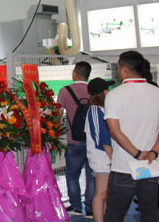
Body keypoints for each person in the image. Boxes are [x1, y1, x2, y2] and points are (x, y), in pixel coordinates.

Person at [104, 51, 159, 222]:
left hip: (124, 167)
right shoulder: (156, 92)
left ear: (124, 70)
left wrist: (137, 153)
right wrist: (153, 152)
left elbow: (114, 131)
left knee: (115, 214)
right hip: (150, 166)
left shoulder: (114, 95)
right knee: (150, 213)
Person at [57, 61, 94, 217]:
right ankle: (91, 209)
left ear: (75, 73)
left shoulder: (65, 91)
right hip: (93, 141)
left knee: (72, 175)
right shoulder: (94, 91)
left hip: (74, 140)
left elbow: (58, 114)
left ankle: (76, 207)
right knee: (92, 176)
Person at [85, 78, 114, 222]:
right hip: (102, 157)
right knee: (101, 193)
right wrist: (112, 157)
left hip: (105, 157)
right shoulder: (95, 110)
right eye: (106, 89)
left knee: (105, 193)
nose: (109, 92)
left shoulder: (100, 109)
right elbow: (101, 138)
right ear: (101, 92)